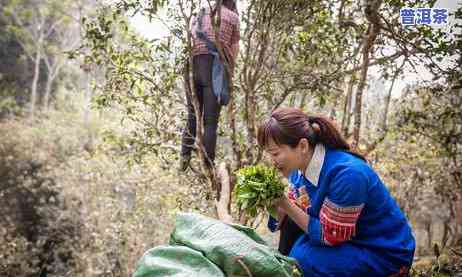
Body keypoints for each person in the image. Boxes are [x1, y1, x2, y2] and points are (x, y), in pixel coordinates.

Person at [257, 107, 415, 277]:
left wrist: (286, 205)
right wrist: (276, 206)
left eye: (275, 153)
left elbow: (330, 235)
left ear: (302, 145)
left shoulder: (348, 174)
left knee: (301, 260)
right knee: (290, 234)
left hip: (382, 252)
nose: (272, 161)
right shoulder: (299, 171)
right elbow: (287, 215)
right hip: (348, 242)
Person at [180, 0, 240, 170]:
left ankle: (184, 156)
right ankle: (208, 165)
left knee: (193, 114)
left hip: (192, 65)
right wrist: (229, 78)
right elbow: (234, 52)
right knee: (210, 122)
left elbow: (191, 39)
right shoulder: (233, 18)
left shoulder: (200, 13)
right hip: (214, 67)